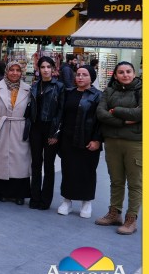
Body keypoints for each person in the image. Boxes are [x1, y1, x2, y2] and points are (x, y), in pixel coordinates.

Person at [95, 61, 142, 235]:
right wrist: (124, 120)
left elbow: (142, 112)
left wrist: (116, 110)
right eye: (121, 72)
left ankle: (131, 219)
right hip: (112, 142)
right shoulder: (109, 91)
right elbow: (101, 113)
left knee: (135, 183)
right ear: (115, 75)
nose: (125, 75)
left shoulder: (141, 90)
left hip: (135, 142)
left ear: (134, 72)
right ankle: (114, 213)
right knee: (116, 180)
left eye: (128, 71)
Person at [0, 61, 32, 206]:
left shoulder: (28, 89)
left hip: (19, 127)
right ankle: (1, 191)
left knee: (20, 161)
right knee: (0, 159)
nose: (15, 73)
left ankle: (19, 193)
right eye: (12, 70)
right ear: (6, 71)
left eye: (18, 70)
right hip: (1, 126)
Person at [56, 65, 102, 218]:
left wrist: (97, 139)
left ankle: (86, 202)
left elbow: (100, 121)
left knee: (86, 171)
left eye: (85, 75)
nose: (80, 77)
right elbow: (61, 115)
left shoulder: (97, 96)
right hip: (68, 138)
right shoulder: (69, 93)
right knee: (68, 170)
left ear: (91, 78)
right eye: (78, 74)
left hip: (87, 140)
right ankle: (67, 200)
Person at [26, 56, 65, 210]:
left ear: (53, 69)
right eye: (43, 67)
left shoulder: (60, 87)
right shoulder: (35, 86)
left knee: (49, 166)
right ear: (38, 69)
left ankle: (45, 200)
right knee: (35, 164)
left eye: (49, 67)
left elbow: (61, 112)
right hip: (35, 129)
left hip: (51, 130)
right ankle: (34, 197)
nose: (46, 70)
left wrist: (55, 133)